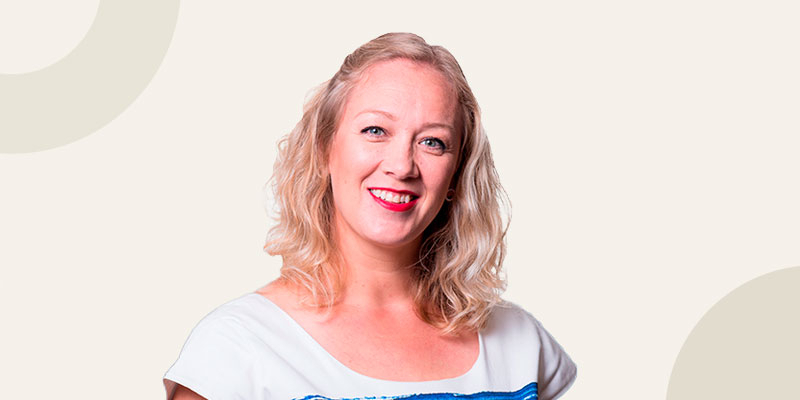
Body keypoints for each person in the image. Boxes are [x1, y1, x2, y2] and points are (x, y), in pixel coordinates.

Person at [164, 32, 576, 400]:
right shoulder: (236, 349)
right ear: (324, 150)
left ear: (456, 174)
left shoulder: (522, 345)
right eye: (375, 131)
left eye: (433, 142)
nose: (402, 166)